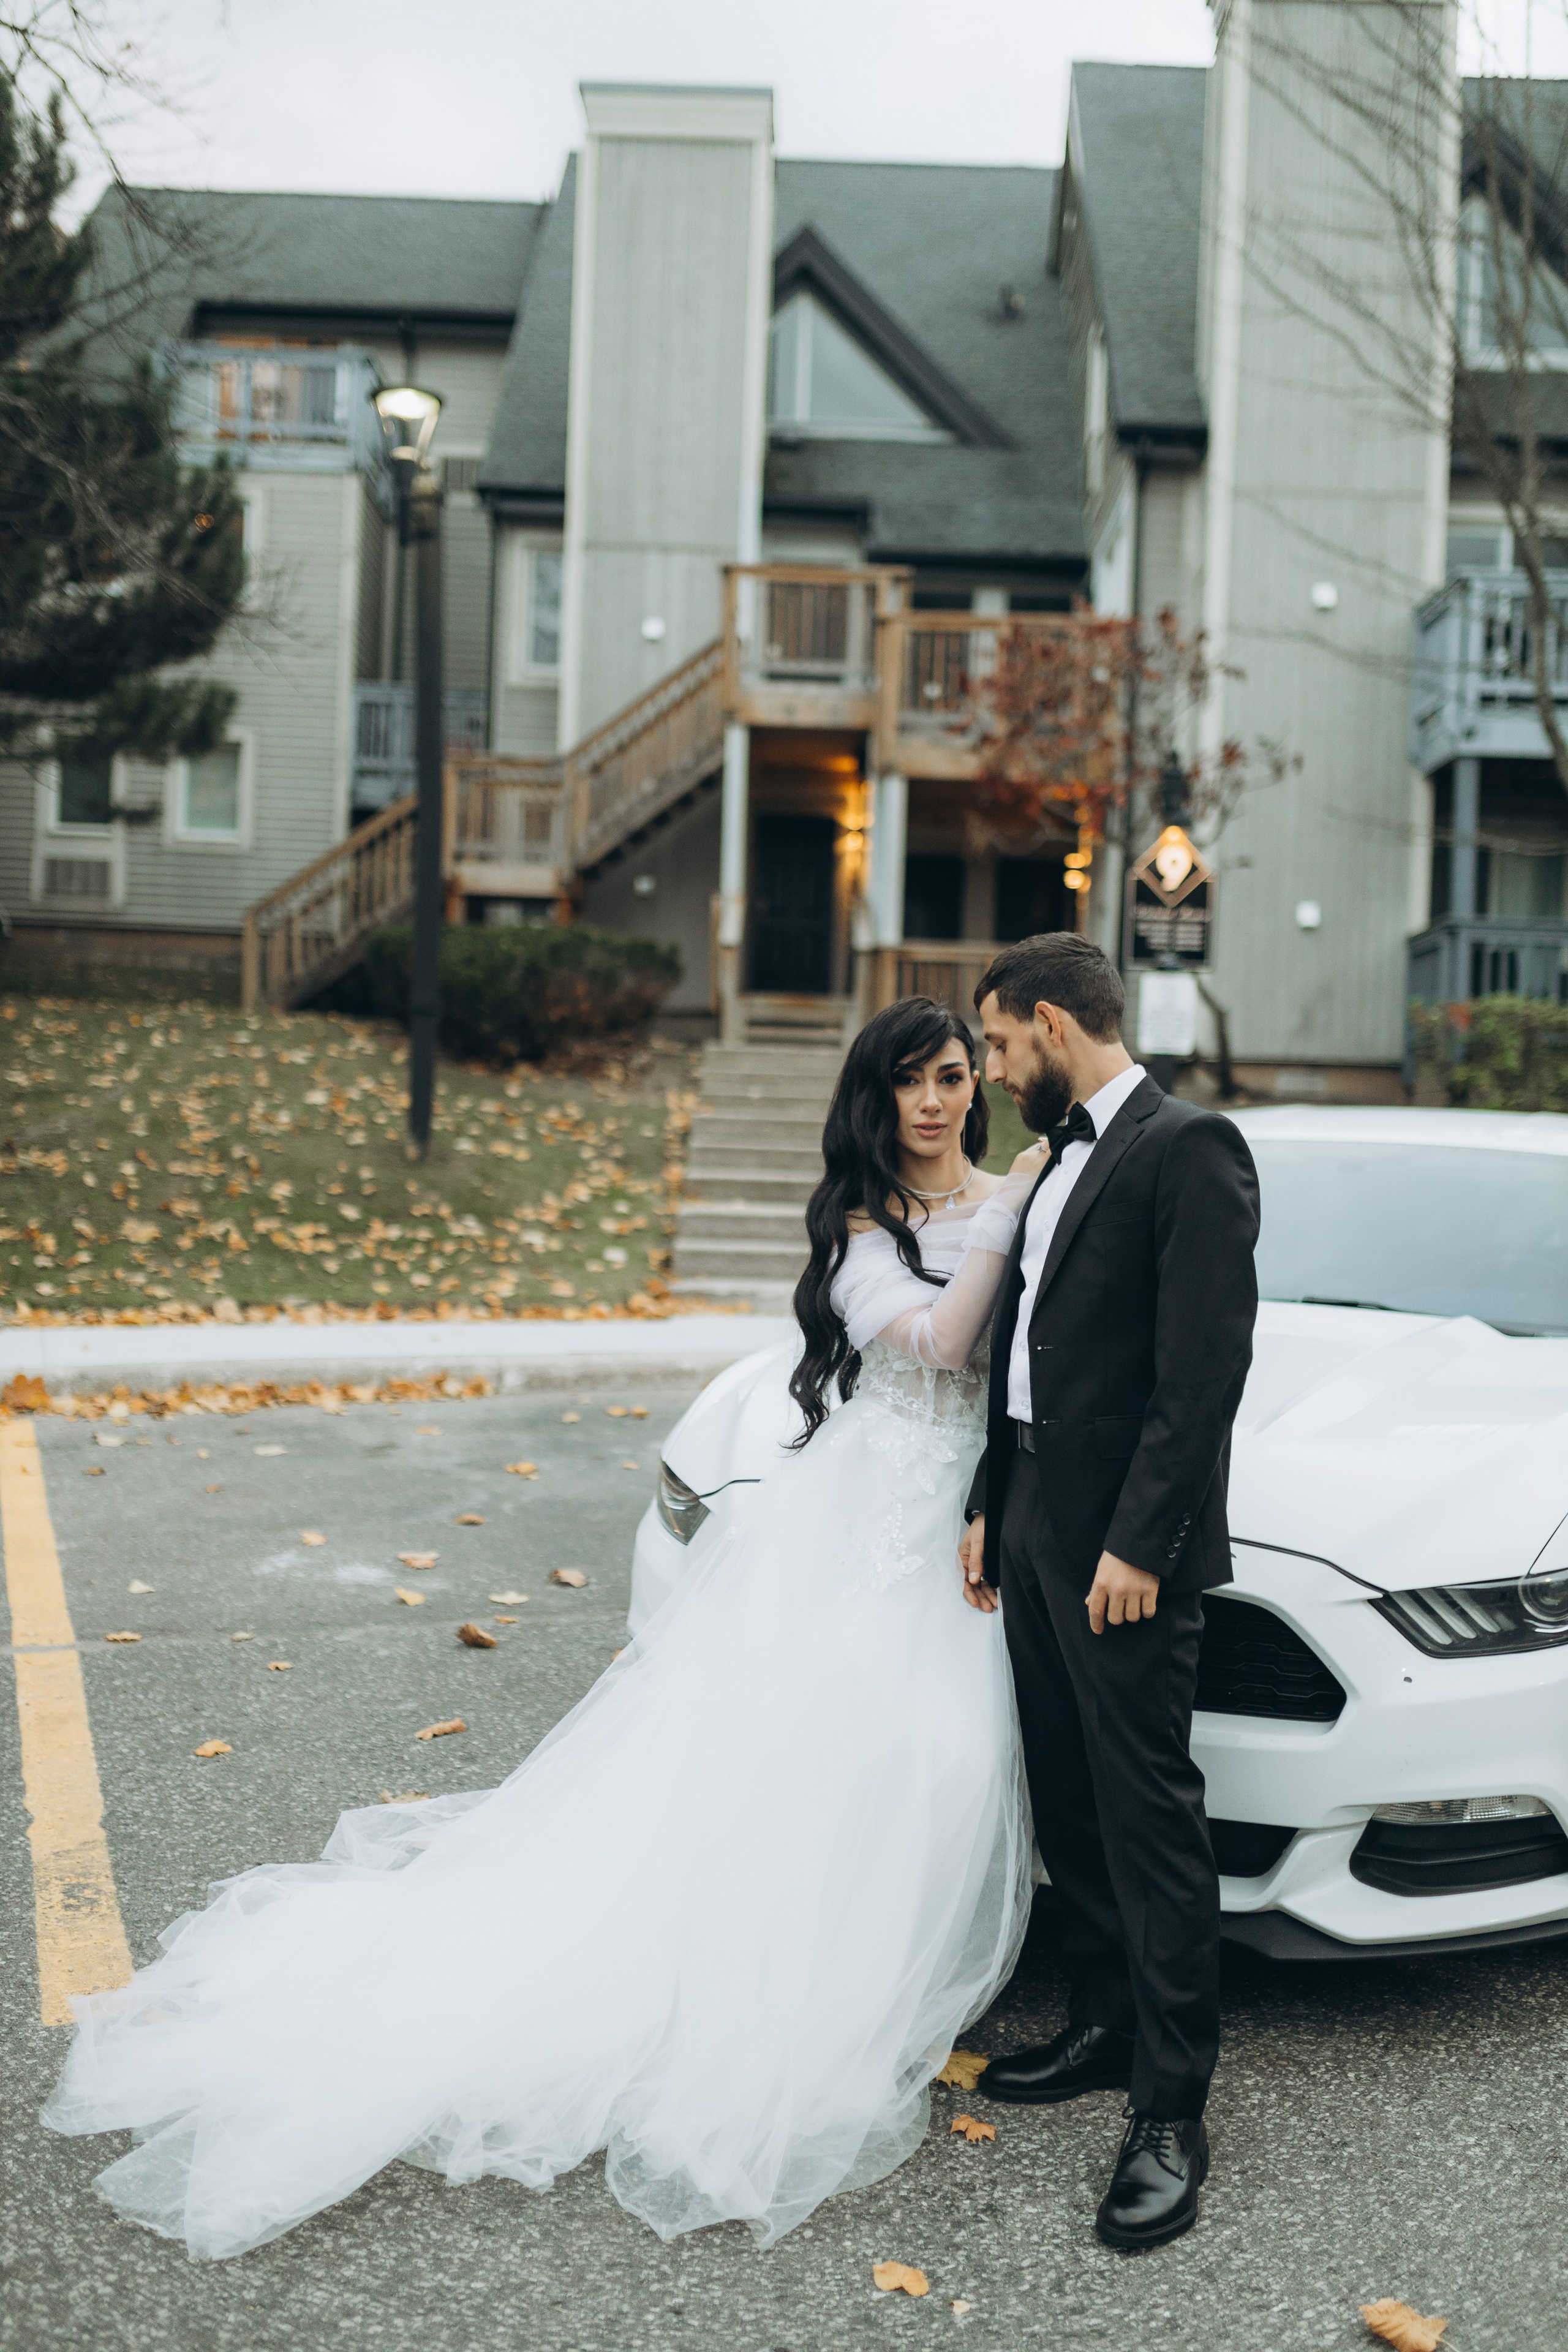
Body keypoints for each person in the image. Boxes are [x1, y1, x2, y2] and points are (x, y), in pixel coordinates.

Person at [43, 998, 1044, 2262]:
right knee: (856, 1747)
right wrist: (1010, 1210)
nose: (933, 1101)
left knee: (942, 1756)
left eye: (952, 1075)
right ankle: (793, 1998)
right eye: (908, 1081)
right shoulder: (861, 1232)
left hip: (968, 1518)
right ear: (873, 1098)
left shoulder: (1015, 1191)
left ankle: (864, 1978)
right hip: (868, 1522)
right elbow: (954, 1342)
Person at [959, 933, 1259, 2250]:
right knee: (1063, 1788)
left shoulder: (1188, 1149)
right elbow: (1020, 1358)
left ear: (1047, 1025)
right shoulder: (1052, 1158)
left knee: (1144, 1809)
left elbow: (1201, 1375)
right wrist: (988, 1498)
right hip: (1028, 1517)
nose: (989, 1071)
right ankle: (1095, 2018)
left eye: (998, 1046)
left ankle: (1169, 2108)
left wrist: (1139, 1543)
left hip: (1121, 1552)